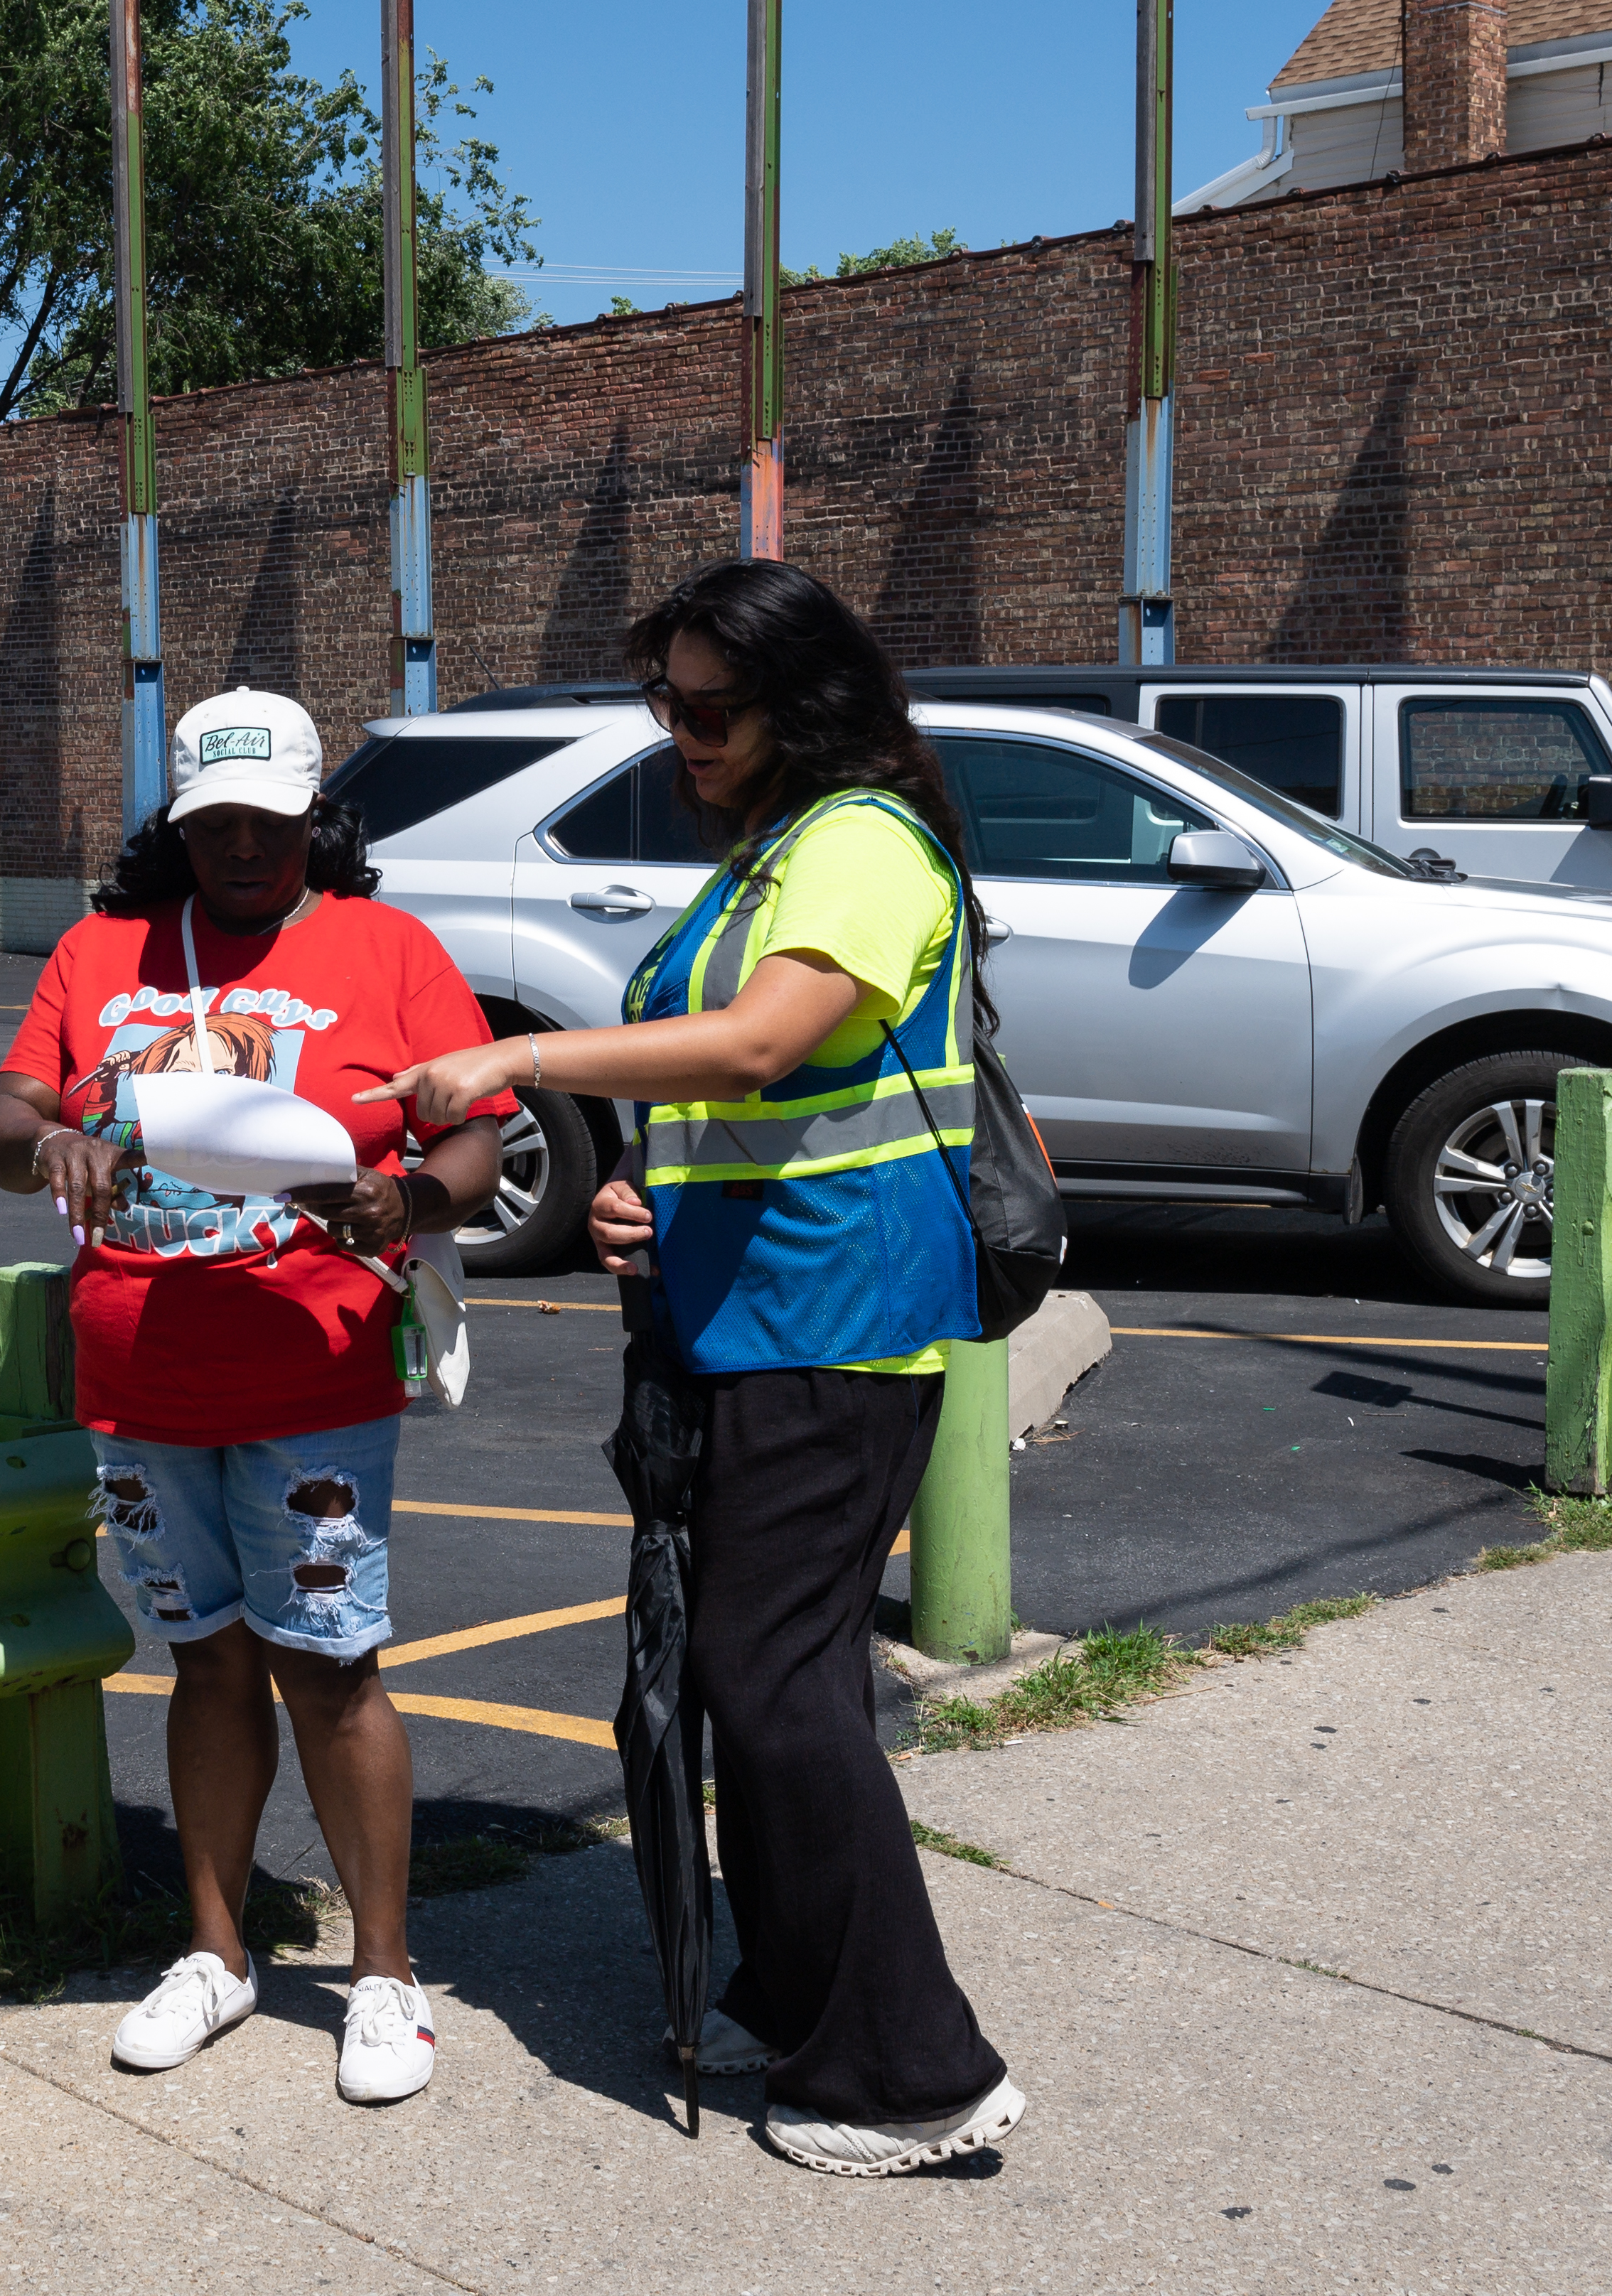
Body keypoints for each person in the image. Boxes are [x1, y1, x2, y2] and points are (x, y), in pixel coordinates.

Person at [368, 559, 1025, 2179]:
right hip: (743, 1310)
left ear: (803, 701)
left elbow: (758, 1044)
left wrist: (520, 1055)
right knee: (758, 1672)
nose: (683, 732)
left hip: (837, 1319)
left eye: (711, 706)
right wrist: (647, 1189)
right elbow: (741, 1101)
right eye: (668, 700)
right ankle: (799, 1993)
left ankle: (912, 2068)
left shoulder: (861, 841)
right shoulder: (772, 852)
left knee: (775, 1677)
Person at [0, 688, 511, 2108]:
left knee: (330, 1661)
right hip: (141, 1371)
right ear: (180, 820)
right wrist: (54, 1149)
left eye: (271, 821)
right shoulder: (103, 951)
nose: (245, 846)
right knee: (204, 1656)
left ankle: (384, 1972)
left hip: (313, 1366)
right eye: (216, 822)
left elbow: (479, 1138)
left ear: (314, 816)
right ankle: (216, 1950)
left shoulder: (386, 948)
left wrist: (408, 1191)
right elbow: (0, 1115)